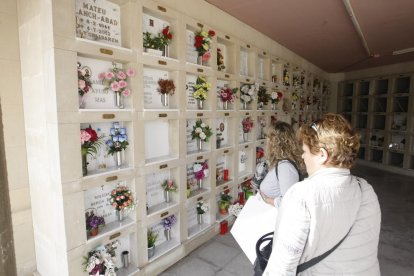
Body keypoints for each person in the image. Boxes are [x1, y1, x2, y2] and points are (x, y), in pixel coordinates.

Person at [263, 113, 381, 275]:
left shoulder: (302, 195)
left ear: (322, 155)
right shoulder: (366, 189)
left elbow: (281, 267)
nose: (303, 156)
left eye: (305, 151)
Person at [257, 121, 305, 207]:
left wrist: (266, 200)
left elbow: (289, 202)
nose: (266, 141)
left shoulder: (285, 167)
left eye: (268, 137)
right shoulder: (281, 163)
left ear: (275, 142)